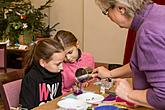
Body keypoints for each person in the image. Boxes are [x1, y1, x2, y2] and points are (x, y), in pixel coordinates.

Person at [93, 0, 165, 109]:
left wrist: (128, 94)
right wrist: (110, 74)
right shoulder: (158, 12)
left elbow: (162, 97)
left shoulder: (148, 32)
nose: (108, 17)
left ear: (121, 9)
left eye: (106, 11)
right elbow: (145, 63)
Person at [20, 38, 65, 109]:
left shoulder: (57, 74)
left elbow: (58, 99)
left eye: (63, 62)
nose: (62, 67)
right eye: (58, 64)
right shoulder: (31, 78)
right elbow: (27, 106)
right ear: (43, 62)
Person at [54, 30, 95, 94]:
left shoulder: (88, 58)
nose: (68, 58)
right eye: (64, 55)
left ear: (77, 44)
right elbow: (58, 91)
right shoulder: (59, 65)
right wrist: (70, 92)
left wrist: (86, 83)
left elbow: (92, 79)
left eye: (70, 52)